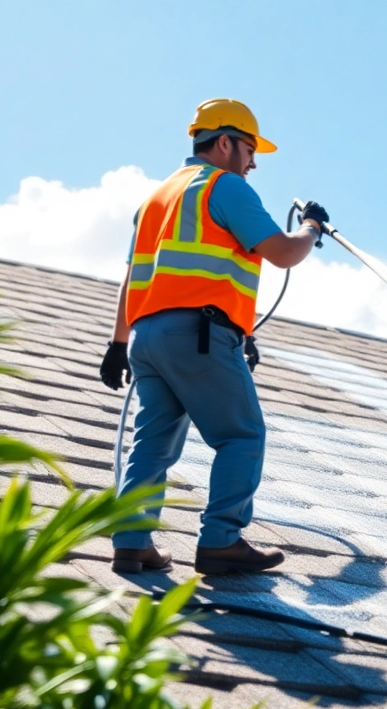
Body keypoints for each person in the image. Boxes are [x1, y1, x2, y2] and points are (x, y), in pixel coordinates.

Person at [98, 98, 330, 575]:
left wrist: (117, 344)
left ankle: (131, 543)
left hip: (148, 337)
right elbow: (283, 253)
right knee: (241, 434)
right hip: (198, 335)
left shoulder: (158, 197)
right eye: (248, 148)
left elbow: (132, 277)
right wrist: (311, 227)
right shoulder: (226, 187)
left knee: (154, 442)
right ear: (224, 142)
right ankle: (221, 541)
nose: (253, 162)